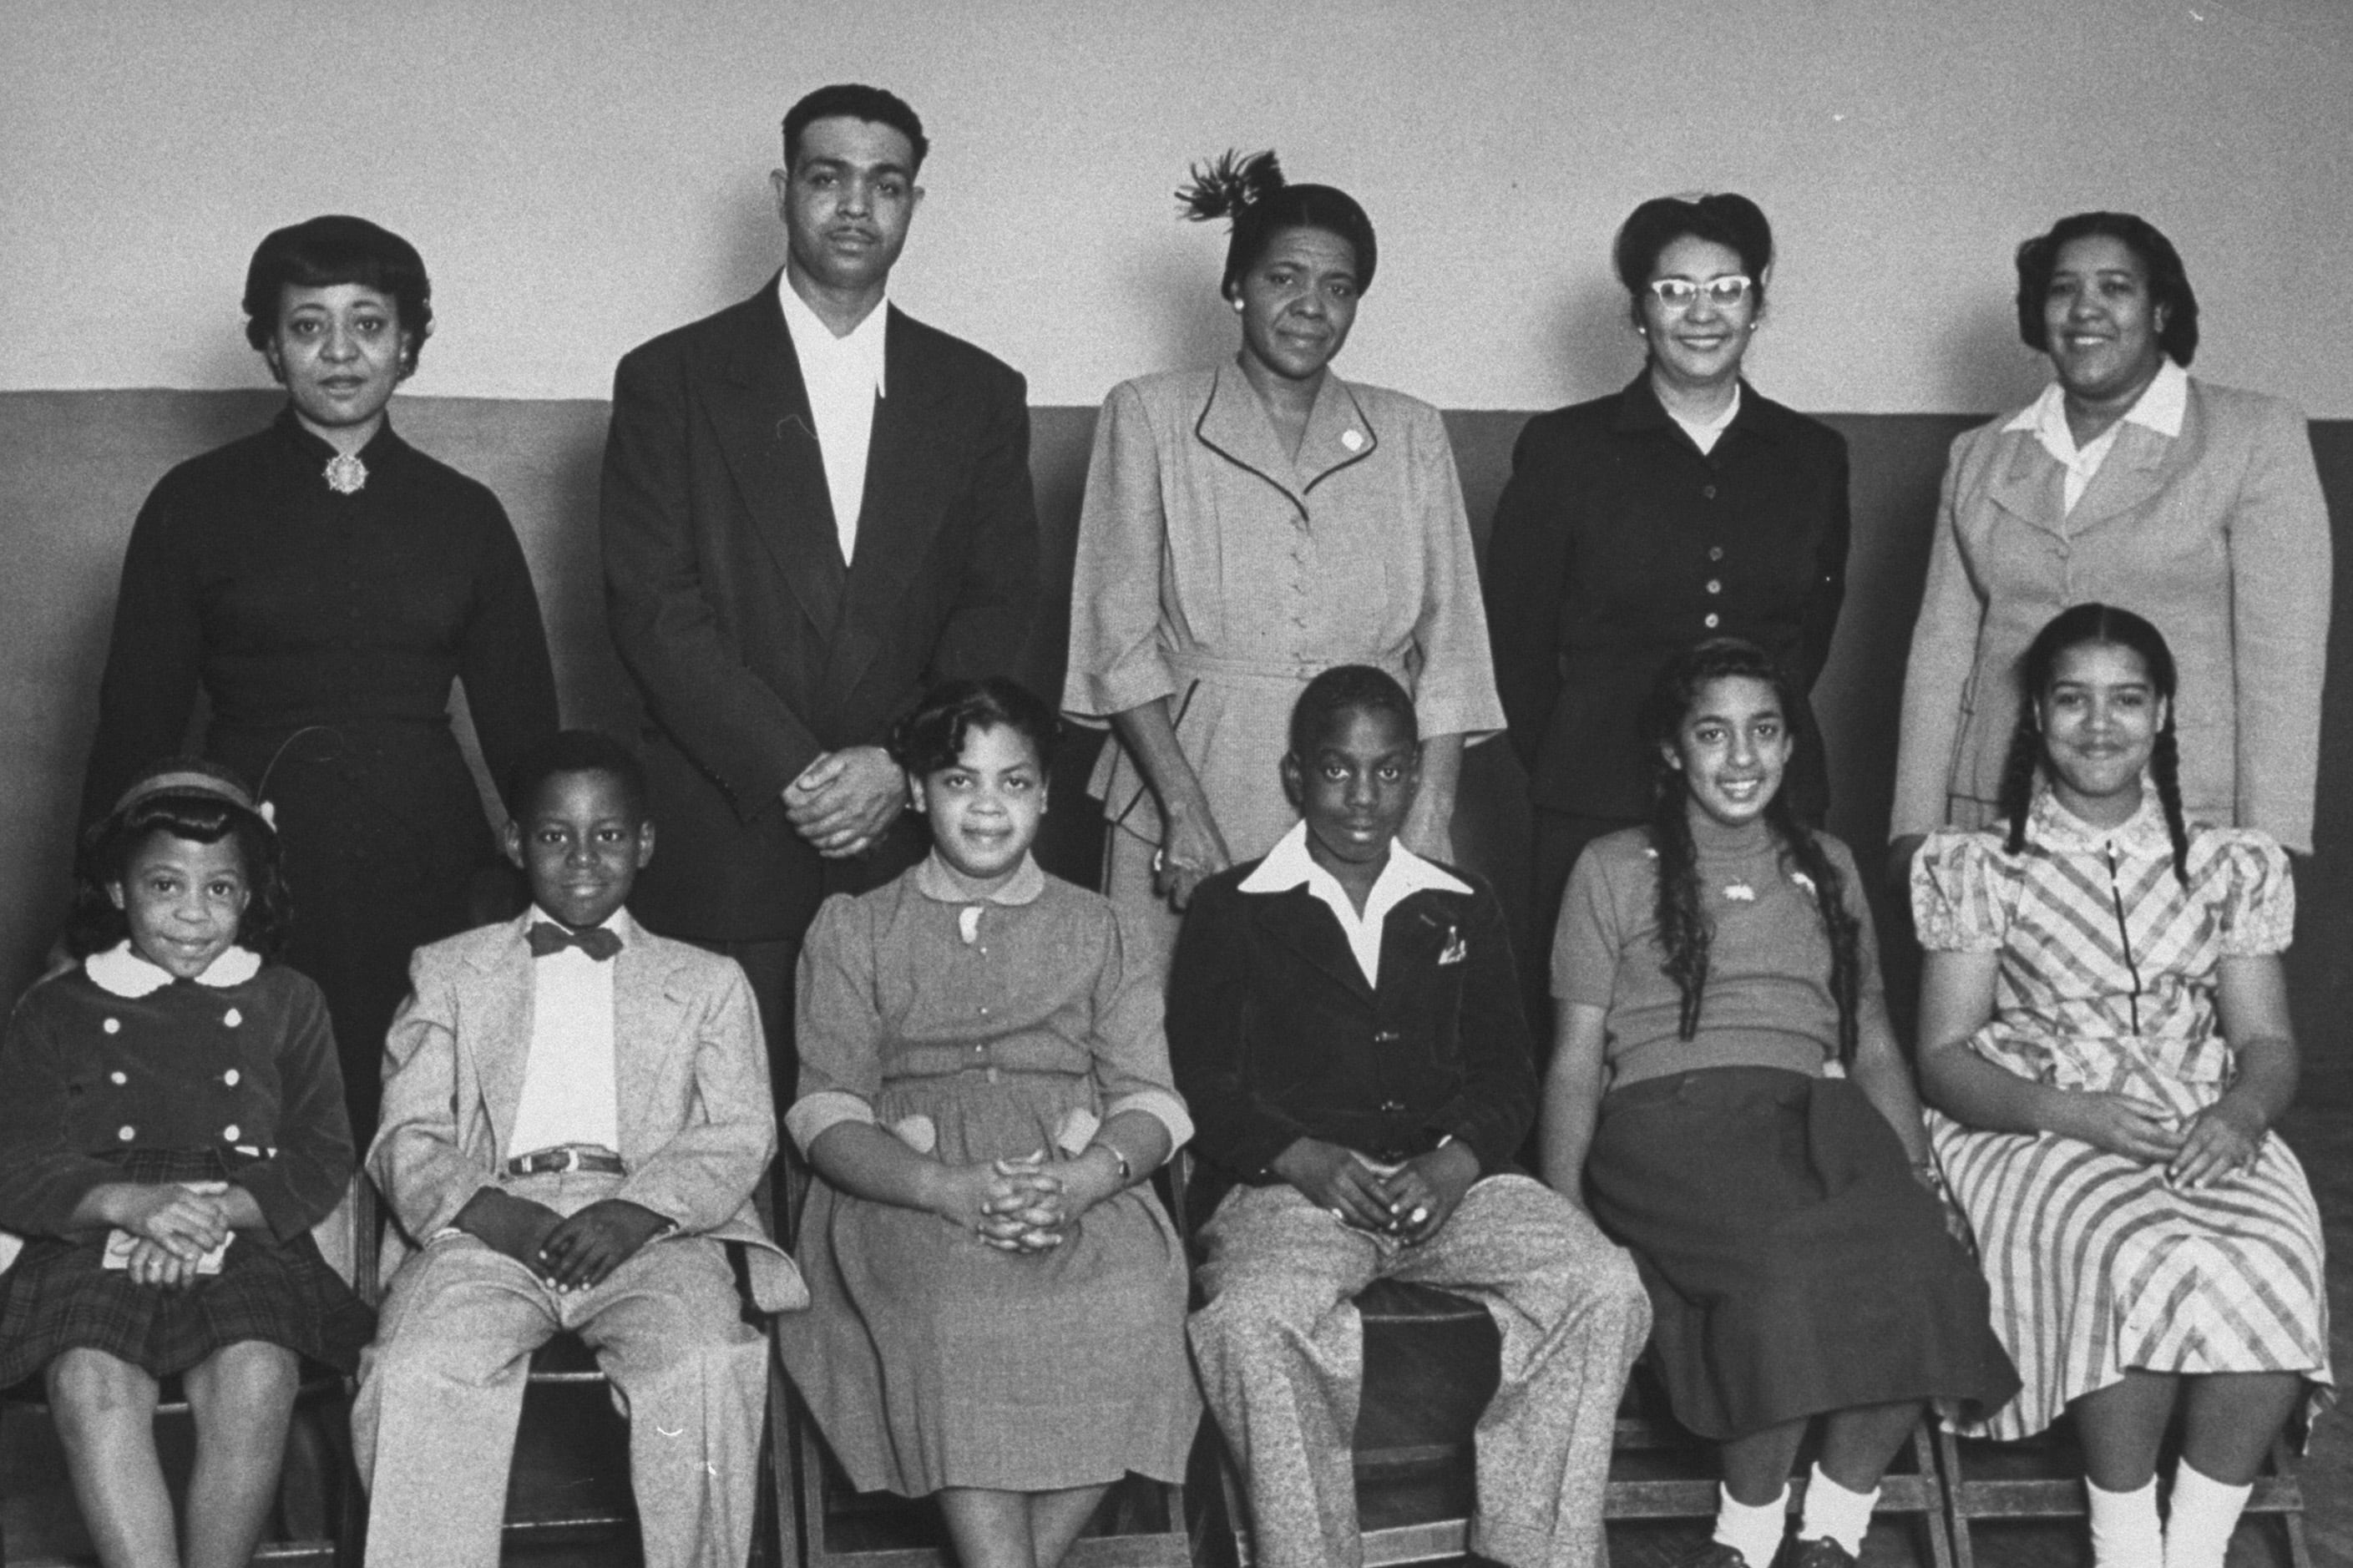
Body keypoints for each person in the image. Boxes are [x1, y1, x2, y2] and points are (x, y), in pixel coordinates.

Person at [601, 83, 1039, 1099]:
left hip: (908, 827)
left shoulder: (978, 392)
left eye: (885, 184)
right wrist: (795, 769)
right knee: (722, 1125)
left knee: (906, 1125)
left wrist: (899, 761)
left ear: (912, 207)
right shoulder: (673, 376)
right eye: (827, 177)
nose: (855, 206)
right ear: (782, 190)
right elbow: (653, 608)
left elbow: (997, 607)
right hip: (733, 822)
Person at [79, 215, 560, 1139]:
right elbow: (134, 721)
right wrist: (97, 903)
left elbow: (527, 734)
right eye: (308, 326)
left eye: (369, 324)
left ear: (410, 342)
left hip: (428, 859)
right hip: (244, 861)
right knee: (255, 1117)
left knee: (421, 1111)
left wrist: (556, 899)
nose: (340, 352)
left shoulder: (466, 515)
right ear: (267, 344)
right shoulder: (194, 500)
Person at [1543, 640, 2016, 1568]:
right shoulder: (1609, 865)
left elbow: (1871, 1035)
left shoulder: (1829, 865)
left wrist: (1917, 1168)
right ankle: (1747, 1535)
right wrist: (1564, 1212)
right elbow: (1570, 1062)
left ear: (1792, 743)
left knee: (1920, 1260)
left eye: (1764, 730)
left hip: (1813, 1117)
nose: (1742, 757)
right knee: (1784, 1264)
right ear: (1672, 750)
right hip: (1667, 1124)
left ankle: (1834, 1528)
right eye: (1711, 733)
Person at [1171, 665, 1648, 1568]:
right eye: (1337, 770)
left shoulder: (1459, 901)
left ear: (1415, 777)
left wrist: (1458, 1162)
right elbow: (1205, 1081)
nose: (1363, 796)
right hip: (1296, 1192)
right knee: (1250, 1319)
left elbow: (1508, 1070)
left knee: (1601, 1285)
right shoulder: (1230, 909)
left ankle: (1532, 1548)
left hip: (1448, 1187)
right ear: (1294, 777)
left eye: (1390, 771)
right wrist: (1300, 1157)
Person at [1911, 604, 2328, 1568]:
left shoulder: (2228, 863)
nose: (2099, 726)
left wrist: (2239, 1111)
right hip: (2028, 1118)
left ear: (2163, 713)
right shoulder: (1980, 865)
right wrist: (2071, 1115)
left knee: (2268, 1261)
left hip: (2200, 1114)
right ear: (2035, 717)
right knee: (2136, 1250)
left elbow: (2267, 1042)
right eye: (2071, 700)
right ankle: (2126, 1540)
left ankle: (2193, 1549)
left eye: (2126, 700)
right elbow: (1943, 1055)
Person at [355, 731, 800, 1568]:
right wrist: (498, 1218)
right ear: (516, 842)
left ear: (645, 843)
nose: (584, 856)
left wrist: (636, 1212)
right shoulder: (449, 971)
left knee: (706, 1363)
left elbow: (740, 1131)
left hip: (650, 1227)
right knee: (415, 1373)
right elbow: (406, 1132)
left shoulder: (706, 982)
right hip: (487, 1227)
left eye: (609, 834)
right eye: (555, 835)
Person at [777, 677, 1196, 1568]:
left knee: (1135, 1298)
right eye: (961, 782)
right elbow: (825, 1111)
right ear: (919, 791)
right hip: (906, 1187)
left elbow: (1152, 1100)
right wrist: (942, 1189)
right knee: (953, 1310)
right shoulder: (854, 929)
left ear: (1045, 795)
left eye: (1013, 783)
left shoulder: (1100, 926)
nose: (987, 807)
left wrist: (1085, 1182)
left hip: (1071, 1178)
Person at [1064, 150, 1503, 974]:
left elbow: (1453, 652)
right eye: (1283, 278)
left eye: (1337, 288)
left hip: (1369, 793)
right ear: (1236, 286)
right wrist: (1181, 811)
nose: (1310, 307)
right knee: (1176, 1050)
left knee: (1352, 1054)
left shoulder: (1407, 431)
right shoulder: (1148, 415)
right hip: (1194, 778)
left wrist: (1431, 816)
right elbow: (1117, 643)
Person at [1485, 193, 1850, 1026]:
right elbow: (1515, 639)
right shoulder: (1564, 449)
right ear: (1636, 310)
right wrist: (1574, 759)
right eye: (1673, 289)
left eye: (1725, 288)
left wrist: (1750, 738)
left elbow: (1809, 636)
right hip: (1595, 786)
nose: (1701, 312)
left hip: (1768, 784)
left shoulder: (1811, 457)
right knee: (1588, 1020)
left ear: (1758, 302)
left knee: (1763, 1011)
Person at [0, 761, 372, 1568]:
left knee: (258, 1377)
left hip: (241, 1221)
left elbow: (321, 1152)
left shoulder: (289, 1000)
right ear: (116, 890)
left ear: (253, 897)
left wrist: (216, 1212)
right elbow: (17, 1162)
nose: (193, 916)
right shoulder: (56, 1008)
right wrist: (130, 1206)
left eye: (222, 891)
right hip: (92, 1227)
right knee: (89, 1383)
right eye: (166, 887)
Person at [1891, 211, 2330, 877]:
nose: (2084, 309)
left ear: (2160, 310)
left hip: (2189, 821)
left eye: (2116, 287)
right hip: (1998, 817)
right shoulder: (1979, 455)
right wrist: (1915, 828)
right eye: (2062, 289)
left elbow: (2284, 664)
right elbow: (1941, 654)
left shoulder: (2254, 437)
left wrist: (2272, 840)